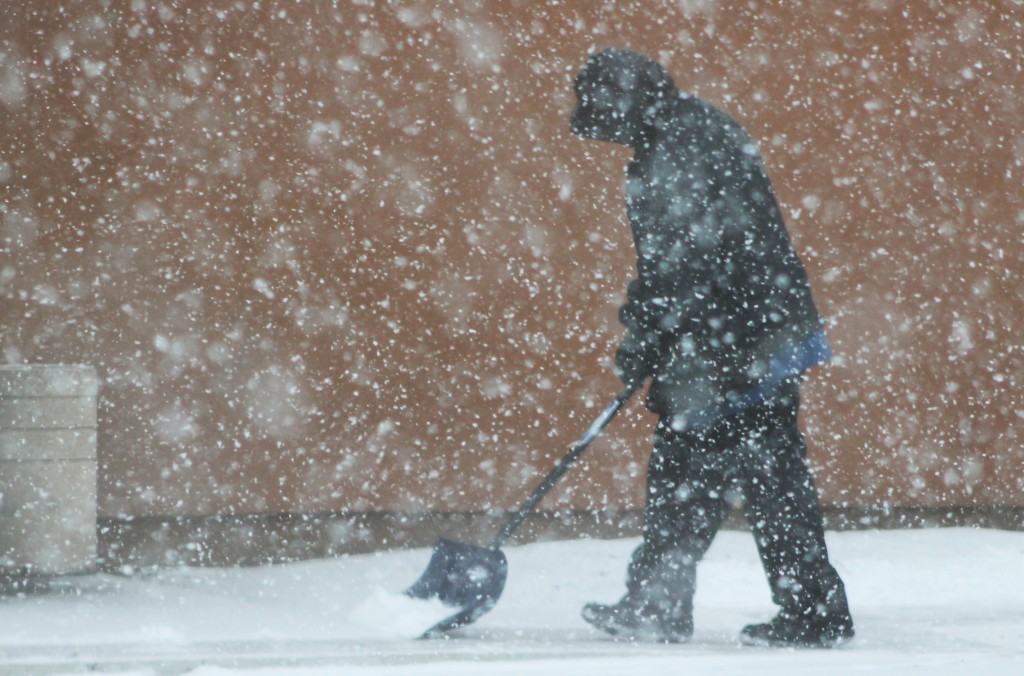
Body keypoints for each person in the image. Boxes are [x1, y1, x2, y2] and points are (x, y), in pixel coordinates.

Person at [569, 48, 854, 648]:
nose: (601, 127)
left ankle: (689, 605)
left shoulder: (679, 148)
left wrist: (647, 338)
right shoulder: (681, 132)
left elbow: (686, 261)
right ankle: (683, 602)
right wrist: (650, 335)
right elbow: (676, 264)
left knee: (724, 467)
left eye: (601, 111)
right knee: (726, 467)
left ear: (625, 102)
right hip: (738, 330)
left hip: (735, 337)